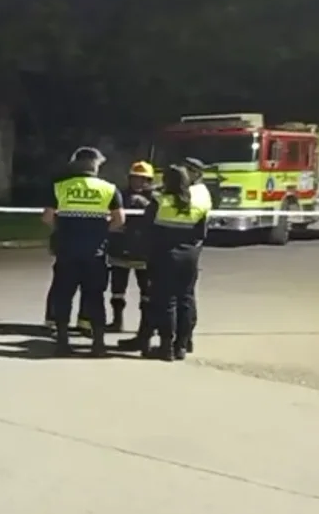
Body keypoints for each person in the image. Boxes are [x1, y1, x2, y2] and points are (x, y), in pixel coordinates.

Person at [43, 147, 124, 356]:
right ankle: (98, 344)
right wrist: (101, 232)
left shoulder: (60, 187)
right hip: (95, 253)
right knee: (95, 297)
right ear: (95, 164)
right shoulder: (109, 189)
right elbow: (119, 219)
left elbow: (47, 217)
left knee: (63, 296)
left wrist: (62, 229)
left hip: (67, 251)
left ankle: (62, 342)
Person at [143, 165, 211, 361]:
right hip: (189, 256)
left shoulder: (159, 202)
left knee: (166, 301)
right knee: (186, 299)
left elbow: (146, 229)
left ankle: (166, 347)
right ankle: (182, 345)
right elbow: (202, 233)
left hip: (164, 256)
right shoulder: (198, 203)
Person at [107, 161, 156, 334]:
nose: (138, 182)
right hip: (120, 248)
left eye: (143, 179)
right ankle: (117, 321)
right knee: (117, 290)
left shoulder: (156, 198)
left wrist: (145, 204)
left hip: (145, 251)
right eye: (135, 178)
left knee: (147, 292)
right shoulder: (119, 195)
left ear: (149, 180)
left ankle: (146, 326)